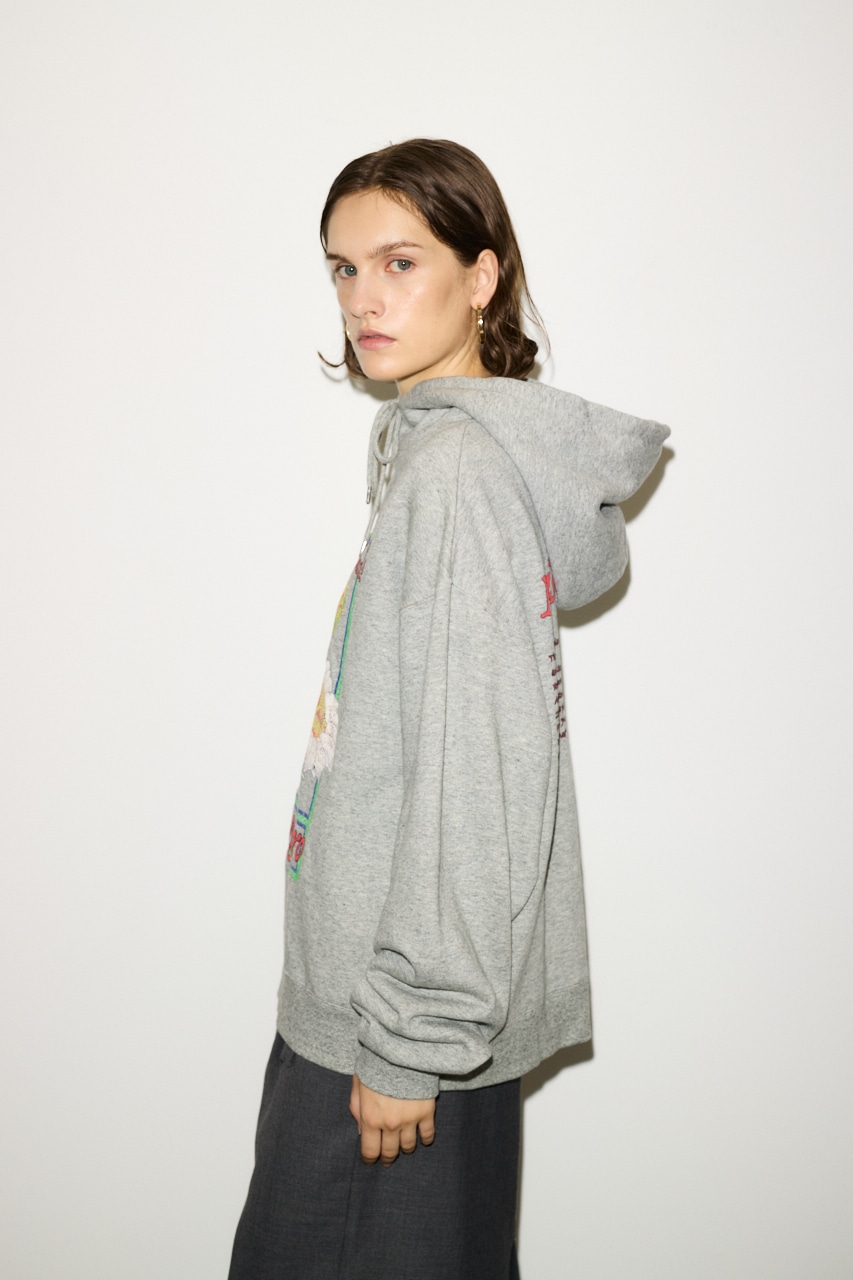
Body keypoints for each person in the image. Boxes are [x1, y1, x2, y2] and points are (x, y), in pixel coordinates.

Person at [228, 138, 669, 1279]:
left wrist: (408, 1042)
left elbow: (475, 779)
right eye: (342, 269)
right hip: (394, 1020)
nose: (361, 299)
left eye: (398, 262)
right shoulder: (443, 459)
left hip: (392, 1042)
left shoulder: (458, 474)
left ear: (481, 277)